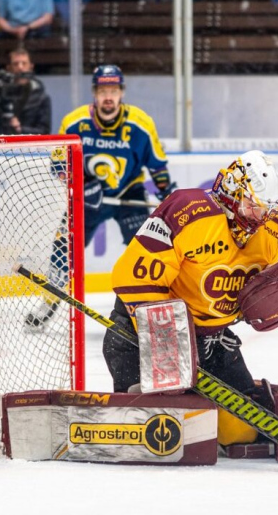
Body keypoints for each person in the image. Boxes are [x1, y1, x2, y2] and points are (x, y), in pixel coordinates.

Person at [105, 150, 278, 447]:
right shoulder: (188, 211)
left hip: (211, 341)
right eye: (253, 206)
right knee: (157, 432)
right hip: (140, 333)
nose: (260, 218)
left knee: (243, 435)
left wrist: (273, 298)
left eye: (267, 210)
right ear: (233, 192)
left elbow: (252, 294)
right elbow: (135, 277)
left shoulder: (270, 233)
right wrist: (170, 345)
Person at [26, 65, 176, 329]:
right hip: (87, 199)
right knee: (63, 250)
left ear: (121, 93)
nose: (109, 97)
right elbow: (59, 165)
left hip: (129, 193)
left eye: (114, 91)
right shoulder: (74, 123)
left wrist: (167, 196)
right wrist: (83, 184)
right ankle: (48, 303)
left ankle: (145, 309)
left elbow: (157, 166)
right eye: (103, 91)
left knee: (145, 253)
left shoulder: (140, 124)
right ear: (94, 93)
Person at [0, 48, 52, 135]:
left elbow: (44, 131)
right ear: (9, 68)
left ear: (31, 67)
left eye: (24, 63)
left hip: (29, 146)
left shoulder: (41, 98)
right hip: (1, 144)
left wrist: (20, 129)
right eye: (15, 64)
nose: (20, 68)